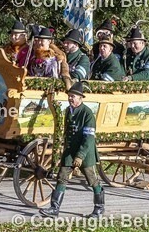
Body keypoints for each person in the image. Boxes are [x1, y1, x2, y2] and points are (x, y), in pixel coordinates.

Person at [40, 81, 105, 219]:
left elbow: (89, 138)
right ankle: (54, 209)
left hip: (85, 155)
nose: (70, 98)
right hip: (70, 152)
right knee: (62, 178)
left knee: (93, 181)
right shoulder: (68, 111)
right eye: (69, 96)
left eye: (73, 96)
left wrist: (80, 156)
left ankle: (99, 209)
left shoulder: (87, 114)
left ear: (80, 99)